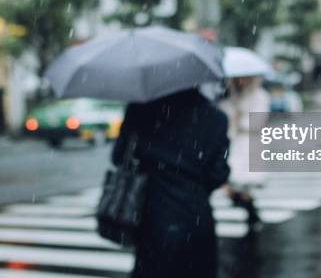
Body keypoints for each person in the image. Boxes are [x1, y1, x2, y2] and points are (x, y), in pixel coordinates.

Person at [112, 88, 230, 278]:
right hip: (197, 218)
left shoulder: (142, 110)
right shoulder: (216, 117)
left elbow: (119, 157)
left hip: (153, 215)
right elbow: (219, 174)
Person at [220, 76, 270, 228]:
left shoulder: (259, 96)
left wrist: (240, 119)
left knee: (243, 185)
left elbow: (258, 121)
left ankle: (252, 216)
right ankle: (252, 214)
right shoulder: (230, 95)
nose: (241, 81)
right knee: (230, 185)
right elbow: (224, 116)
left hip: (249, 145)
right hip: (234, 144)